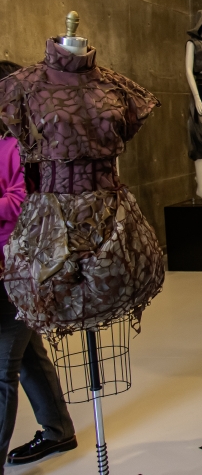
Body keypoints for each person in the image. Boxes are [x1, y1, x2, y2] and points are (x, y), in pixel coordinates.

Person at [0, 61, 76, 470]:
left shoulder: (24, 147)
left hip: (18, 268)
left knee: (3, 368)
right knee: (26, 354)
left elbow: (24, 203)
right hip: (12, 264)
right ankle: (58, 430)